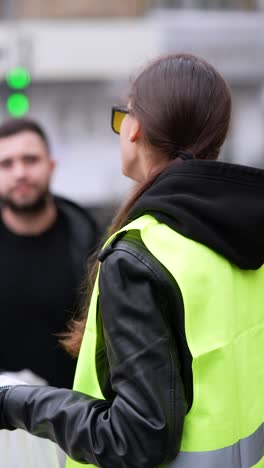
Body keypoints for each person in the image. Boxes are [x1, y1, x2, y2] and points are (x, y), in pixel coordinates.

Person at [0, 53, 263, 468]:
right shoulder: (247, 237)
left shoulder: (140, 254)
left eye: (122, 118)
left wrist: (15, 402)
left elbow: (135, 439)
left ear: (135, 127)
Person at [0, 118, 98, 389]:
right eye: (6, 163)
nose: (19, 172)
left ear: (51, 165)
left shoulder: (90, 242)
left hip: (72, 416)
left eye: (30, 160)